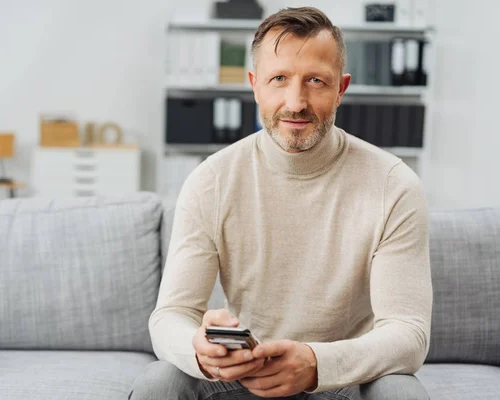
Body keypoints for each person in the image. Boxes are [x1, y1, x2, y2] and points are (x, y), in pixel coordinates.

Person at [130, 6, 432, 400]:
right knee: (160, 382)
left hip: (342, 379)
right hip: (245, 376)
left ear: (341, 88)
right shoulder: (211, 181)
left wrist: (316, 364)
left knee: (400, 392)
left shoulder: (395, 186)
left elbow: (408, 334)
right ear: (255, 85)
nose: (296, 102)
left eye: (315, 81)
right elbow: (170, 316)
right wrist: (200, 351)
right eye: (279, 79)